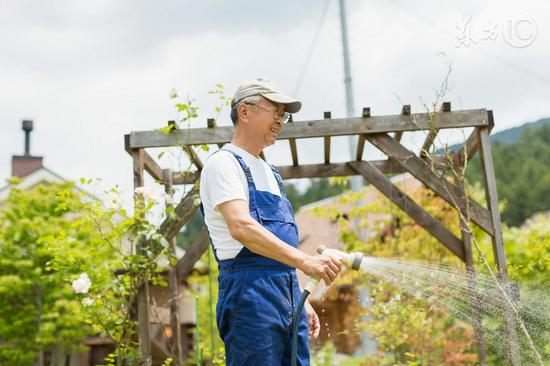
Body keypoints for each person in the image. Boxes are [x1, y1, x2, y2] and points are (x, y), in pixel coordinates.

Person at [199, 78, 342, 365]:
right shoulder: (224, 164)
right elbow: (241, 228)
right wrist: (304, 261)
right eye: (275, 112)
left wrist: (298, 299)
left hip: (286, 291)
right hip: (249, 293)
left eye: (283, 115)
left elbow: (279, 247)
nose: (281, 121)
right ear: (245, 111)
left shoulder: (270, 173)